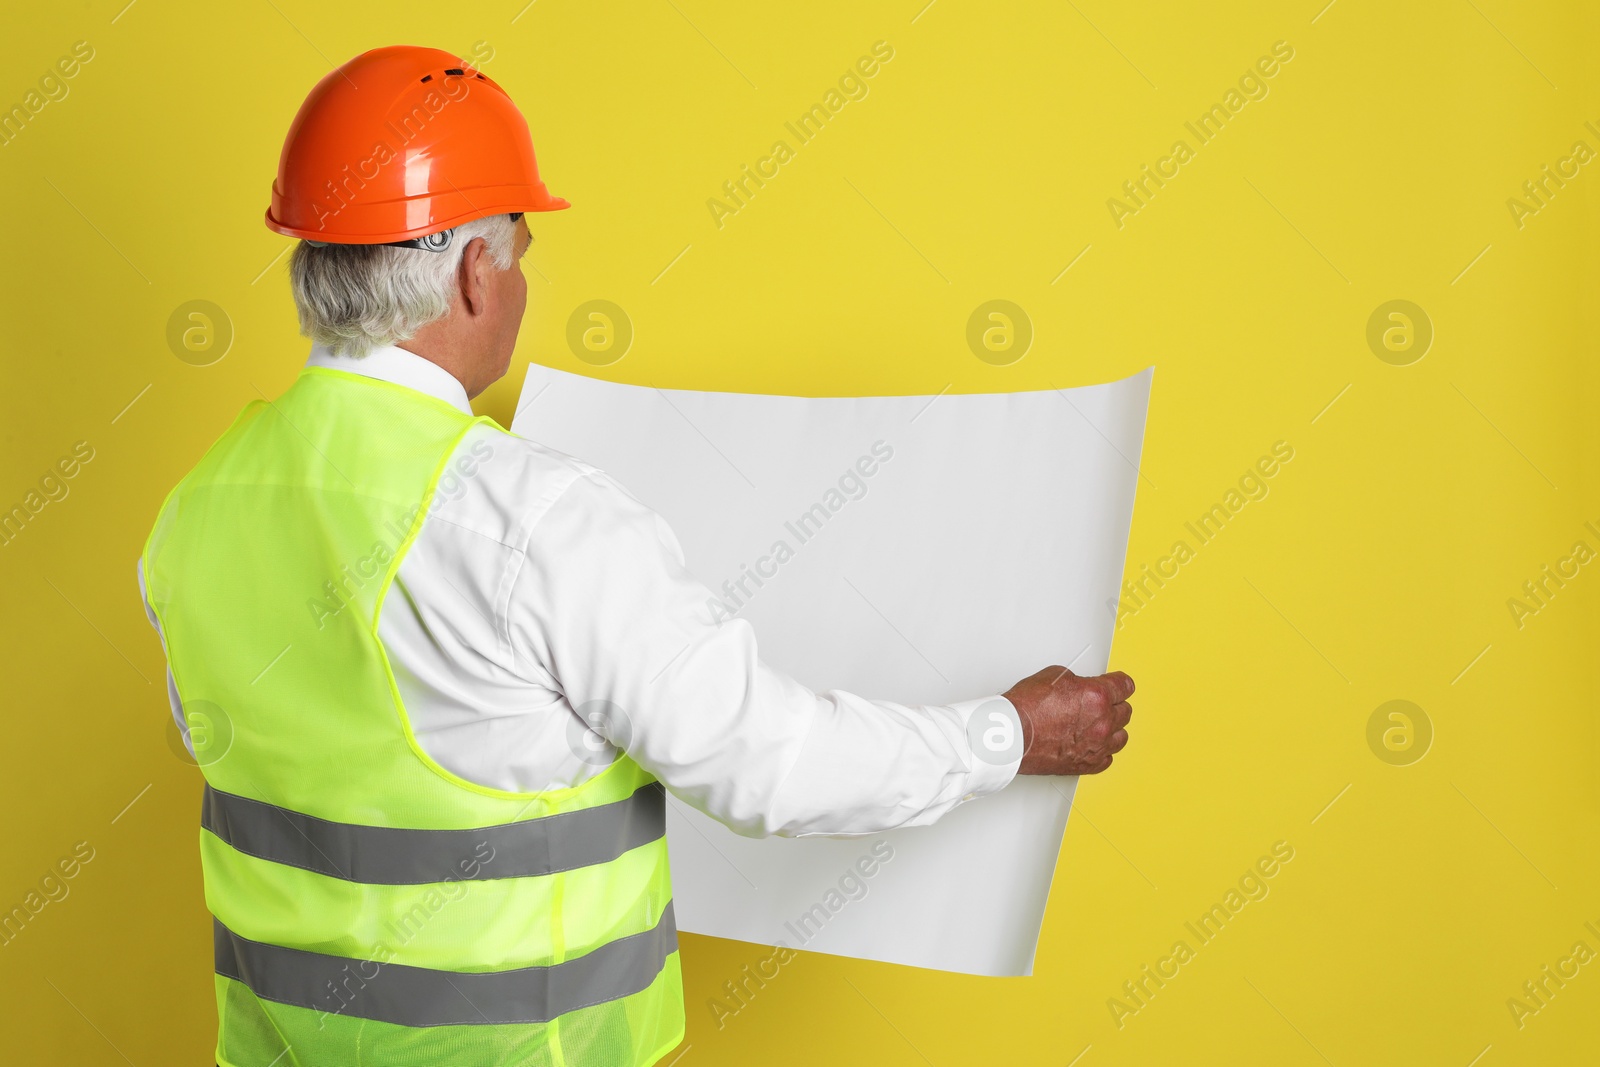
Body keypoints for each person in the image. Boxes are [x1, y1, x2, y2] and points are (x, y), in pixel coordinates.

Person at [139, 45, 1134, 1067]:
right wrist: (1006, 733)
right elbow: (769, 763)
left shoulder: (198, 507)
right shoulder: (529, 518)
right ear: (478, 276)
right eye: (519, 252)